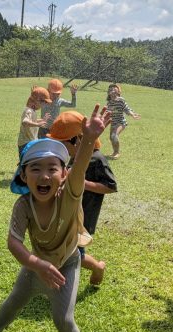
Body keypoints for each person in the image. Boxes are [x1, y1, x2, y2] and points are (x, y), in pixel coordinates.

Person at [0, 104, 111, 332]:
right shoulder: (23, 206)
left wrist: (89, 140)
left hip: (67, 264)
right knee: (14, 300)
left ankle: (97, 268)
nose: (44, 176)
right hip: (37, 263)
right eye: (35, 169)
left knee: (63, 319)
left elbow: (79, 169)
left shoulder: (69, 195)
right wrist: (37, 265)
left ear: (63, 175)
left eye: (52, 169)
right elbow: (13, 242)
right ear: (24, 176)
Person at [47, 111, 117, 285]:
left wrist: (83, 182)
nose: (60, 148)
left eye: (62, 143)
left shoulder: (97, 159)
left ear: (78, 140)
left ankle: (97, 267)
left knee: (75, 253)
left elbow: (110, 186)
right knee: (63, 248)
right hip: (67, 211)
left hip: (84, 214)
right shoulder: (71, 157)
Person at [105, 83, 140, 159]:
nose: (112, 89)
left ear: (118, 92)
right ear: (108, 93)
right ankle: (114, 152)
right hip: (113, 122)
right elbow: (107, 114)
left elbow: (126, 109)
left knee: (114, 135)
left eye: (114, 88)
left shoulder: (121, 100)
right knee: (111, 138)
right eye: (110, 89)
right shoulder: (109, 103)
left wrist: (132, 114)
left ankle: (117, 153)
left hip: (121, 122)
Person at [17, 86, 52, 155]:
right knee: (25, 163)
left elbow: (33, 120)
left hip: (30, 142)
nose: (43, 105)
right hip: (25, 143)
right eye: (43, 102)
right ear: (37, 100)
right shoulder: (28, 111)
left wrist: (42, 120)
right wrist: (38, 124)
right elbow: (25, 122)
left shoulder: (32, 110)